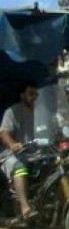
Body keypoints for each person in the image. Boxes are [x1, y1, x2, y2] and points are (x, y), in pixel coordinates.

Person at [0, 82, 40, 221]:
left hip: (35, 153)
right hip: (12, 154)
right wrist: (12, 144)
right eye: (31, 94)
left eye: (36, 94)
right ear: (23, 96)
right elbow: (4, 133)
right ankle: (25, 207)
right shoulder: (12, 112)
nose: (34, 97)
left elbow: (53, 127)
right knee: (19, 168)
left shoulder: (41, 111)